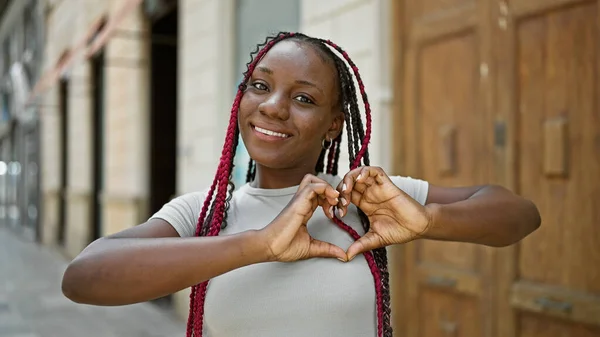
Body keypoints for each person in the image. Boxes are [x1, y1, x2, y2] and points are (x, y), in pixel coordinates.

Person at [61, 32, 541, 337]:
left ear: (334, 124)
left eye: (304, 97)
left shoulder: (364, 200)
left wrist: (431, 218)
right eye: (260, 85)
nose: (272, 107)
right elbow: (83, 277)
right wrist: (257, 245)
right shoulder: (204, 213)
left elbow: (518, 215)